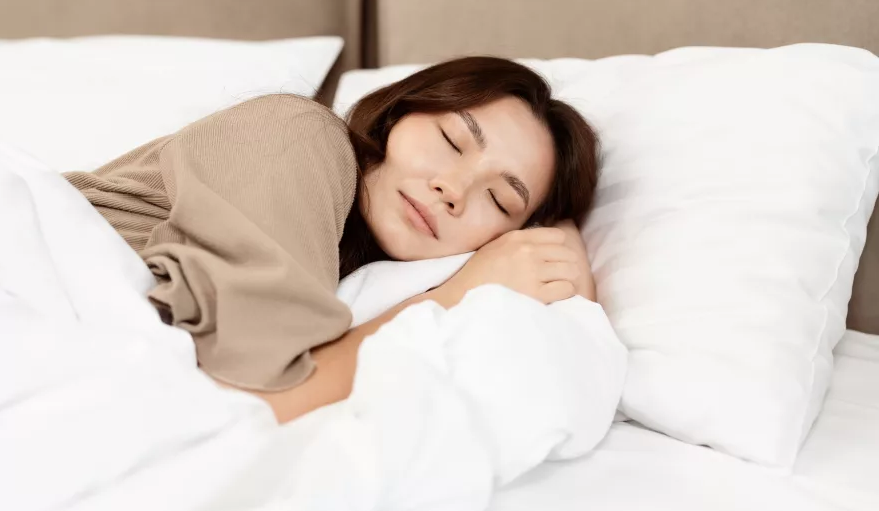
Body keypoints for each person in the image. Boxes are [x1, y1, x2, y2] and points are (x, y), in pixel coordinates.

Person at [66, 56, 599, 422]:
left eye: (500, 200)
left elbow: (573, 345)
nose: (452, 189)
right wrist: (449, 297)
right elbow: (260, 397)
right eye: (451, 139)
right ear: (395, 115)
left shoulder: (349, 262)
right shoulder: (302, 135)